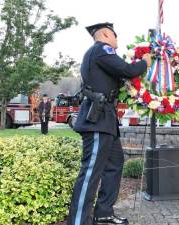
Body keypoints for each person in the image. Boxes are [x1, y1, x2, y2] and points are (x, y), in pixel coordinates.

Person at [68, 22, 152, 225]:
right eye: (115, 36)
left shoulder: (99, 54)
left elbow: (118, 77)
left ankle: (104, 214)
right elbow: (126, 69)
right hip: (97, 121)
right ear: (106, 34)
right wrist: (144, 63)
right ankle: (78, 221)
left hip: (106, 120)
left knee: (115, 164)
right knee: (90, 173)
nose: (117, 41)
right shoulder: (101, 49)